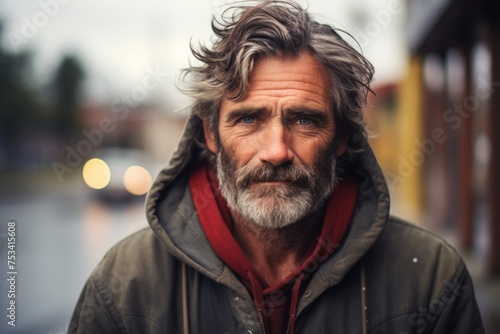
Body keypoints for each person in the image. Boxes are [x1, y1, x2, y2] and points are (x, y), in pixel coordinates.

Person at [69, 1, 485, 333]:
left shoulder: (429, 278)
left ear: (342, 137)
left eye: (305, 120)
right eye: (248, 119)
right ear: (210, 134)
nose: (276, 151)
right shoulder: (126, 285)